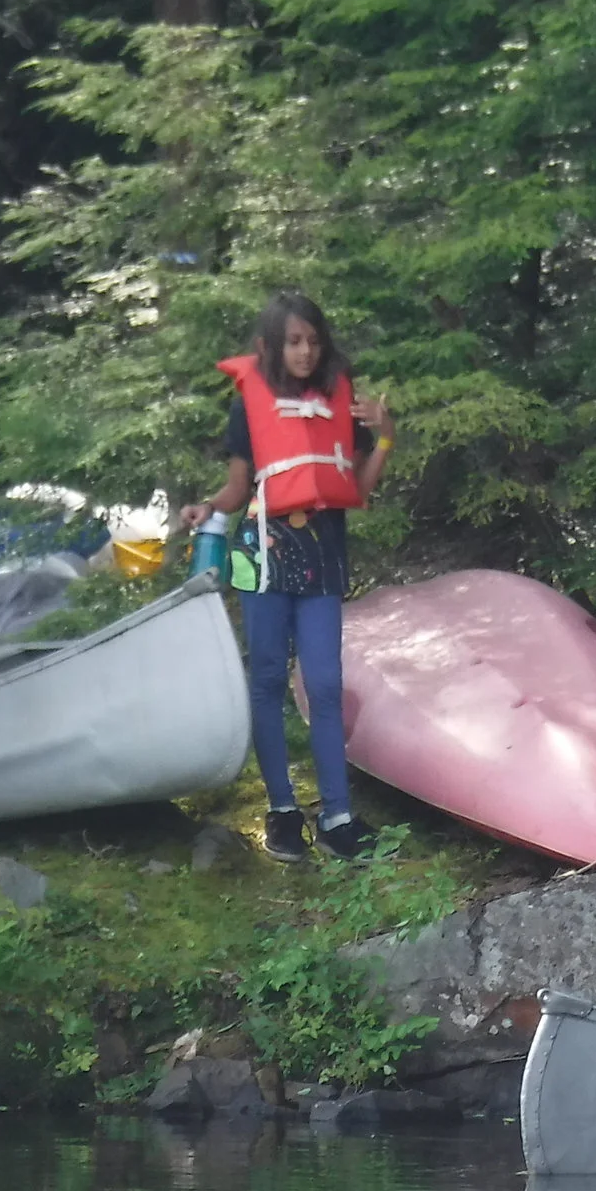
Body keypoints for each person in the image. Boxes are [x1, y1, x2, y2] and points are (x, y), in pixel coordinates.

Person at [181, 293, 394, 862]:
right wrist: (208, 508)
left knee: (324, 683)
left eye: (313, 342)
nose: (304, 352)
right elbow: (237, 486)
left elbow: (360, 488)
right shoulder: (247, 406)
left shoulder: (340, 401)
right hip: (262, 555)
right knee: (269, 679)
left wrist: (386, 436)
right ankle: (281, 812)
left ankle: (338, 816)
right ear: (269, 347)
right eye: (293, 342)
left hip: (323, 553)